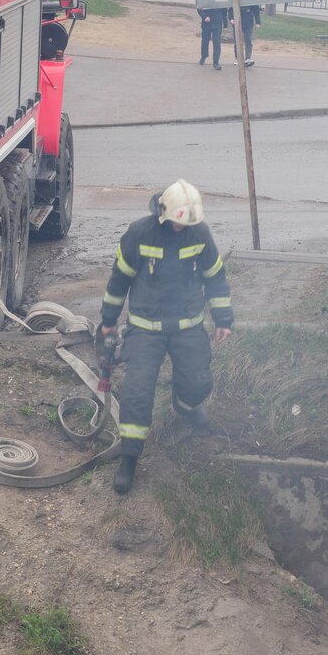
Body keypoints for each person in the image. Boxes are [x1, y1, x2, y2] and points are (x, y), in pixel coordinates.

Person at [99, 180, 234, 495]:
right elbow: (119, 278)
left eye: (187, 223)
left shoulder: (199, 233)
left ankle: (185, 406)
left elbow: (215, 276)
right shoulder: (139, 234)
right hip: (145, 327)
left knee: (199, 381)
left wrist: (223, 319)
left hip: (187, 325)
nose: (181, 228)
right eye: (178, 222)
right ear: (163, 214)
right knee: (136, 393)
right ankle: (129, 458)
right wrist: (108, 321)